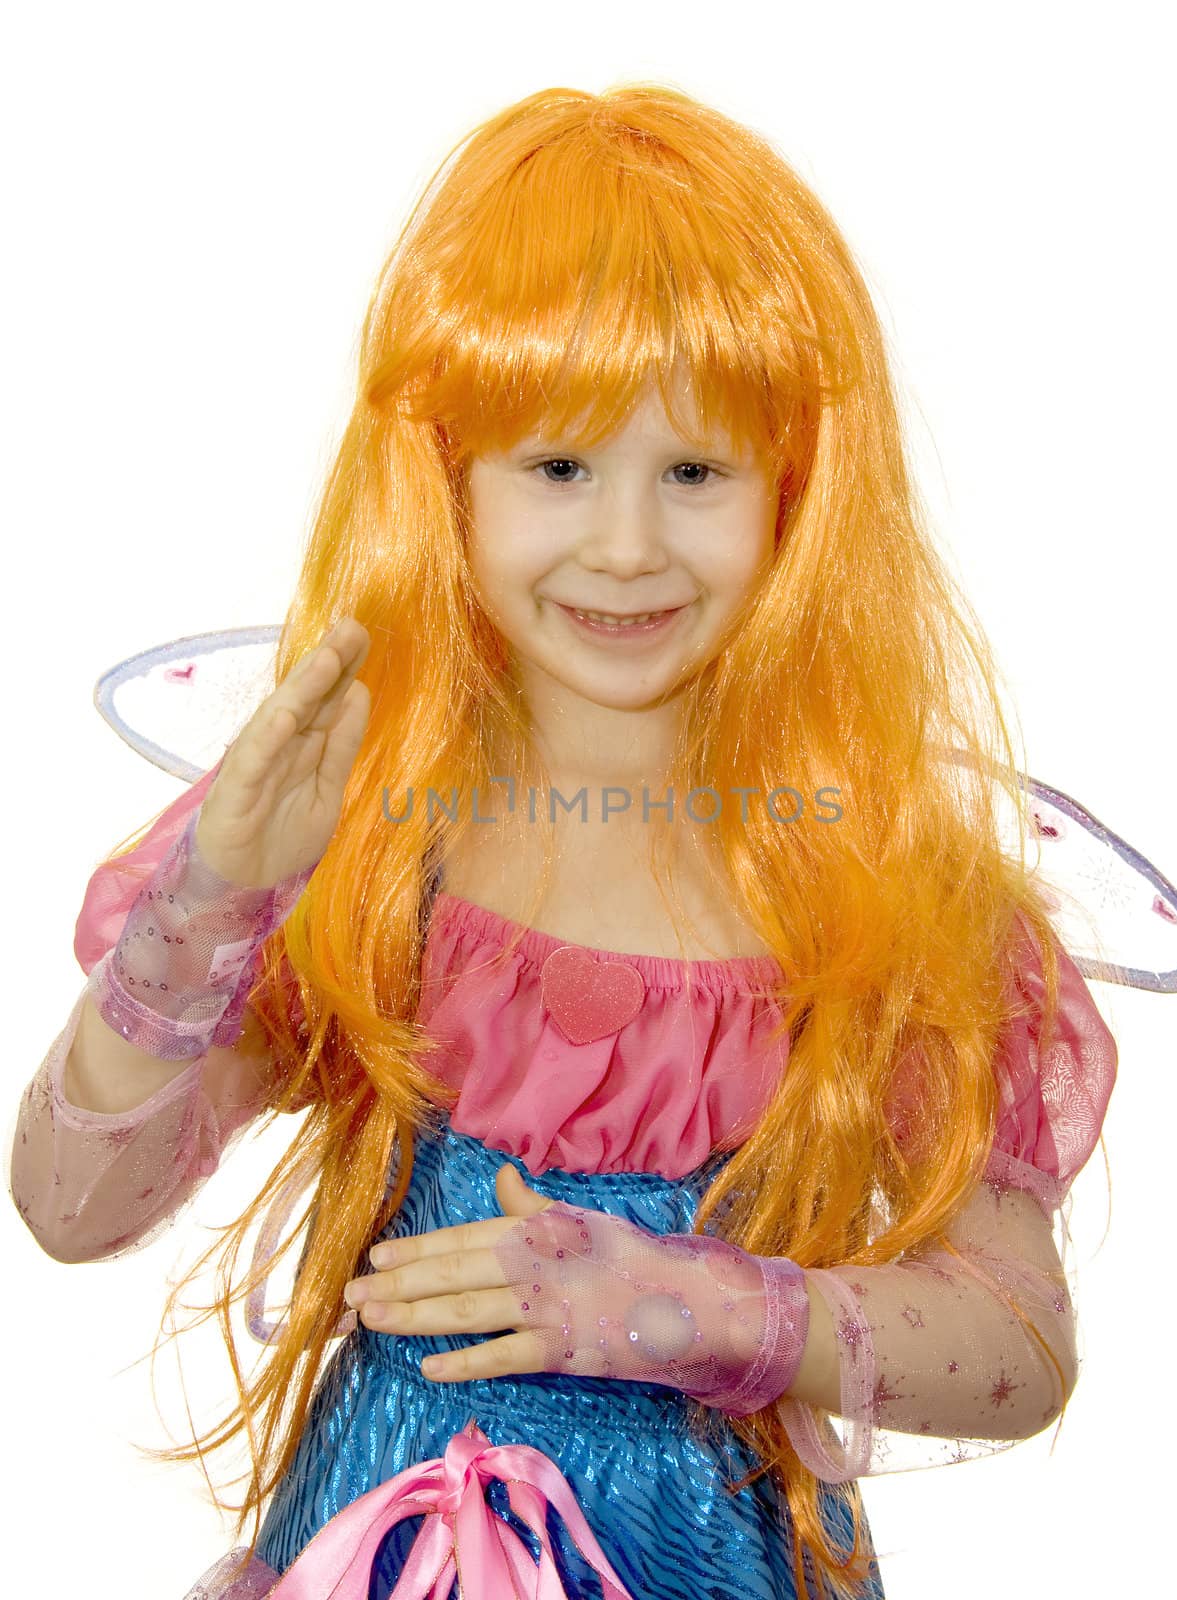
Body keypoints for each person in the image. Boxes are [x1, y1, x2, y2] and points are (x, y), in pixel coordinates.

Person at [6, 83, 1118, 1600]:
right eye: (556, 467)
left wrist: (699, 1309)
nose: (624, 546)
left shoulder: (884, 892)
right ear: (447, 476)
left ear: (795, 494)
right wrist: (218, 895)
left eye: (694, 471)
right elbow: (71, 1211)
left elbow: (1022, 1342)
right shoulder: (365, 835)